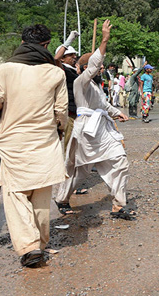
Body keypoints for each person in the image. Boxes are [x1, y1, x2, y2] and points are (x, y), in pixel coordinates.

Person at [0, 24, 68, 268]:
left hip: (13, 142)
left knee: (16, 194)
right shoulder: (55, 73)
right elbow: (61, 111)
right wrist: (60, 130)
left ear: (23, 43)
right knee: (41, 194)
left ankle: (30, 246)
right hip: (45, 141)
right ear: (46, 45)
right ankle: (40, 244)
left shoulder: (4, 69)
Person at [55, 20, 134, 220]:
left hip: (103, 131)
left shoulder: (97, 87)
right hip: (85, 131)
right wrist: (104, 40)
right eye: (98, 67)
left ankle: (118, 204)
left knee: (120, 162)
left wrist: (117, 113)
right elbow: (93, 65)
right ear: (85, 68)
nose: (101, 69)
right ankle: (62, 198)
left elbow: (103, 105)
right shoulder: (80, 82)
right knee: (78, 171)